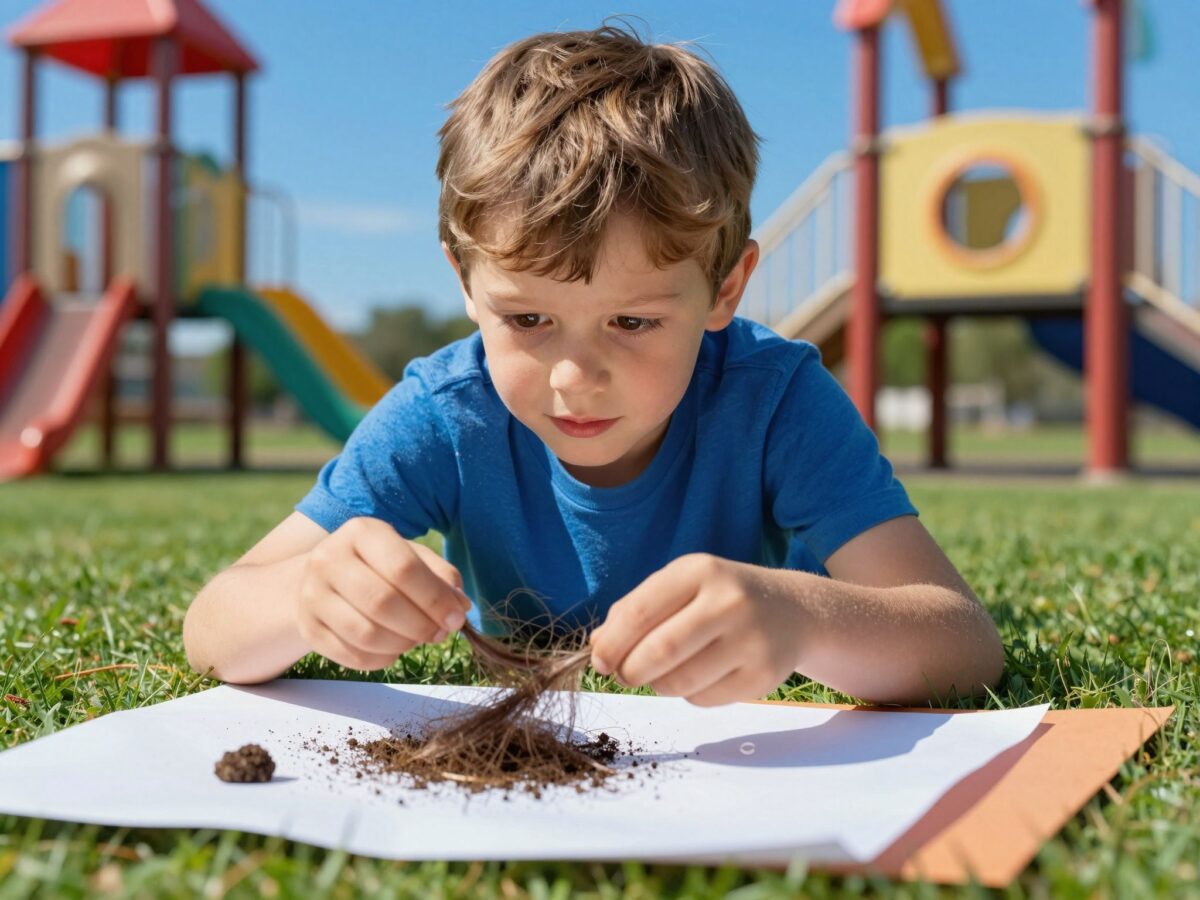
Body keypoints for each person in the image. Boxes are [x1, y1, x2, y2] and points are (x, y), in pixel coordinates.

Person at [183, 21, 1004, 707]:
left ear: (726, 288)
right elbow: (213, 625)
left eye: (634, 320)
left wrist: (801, 620)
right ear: (465, 283)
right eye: (528, 318)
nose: (575, 378)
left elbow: (961, 640)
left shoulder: (776, 399)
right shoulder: (445, 411)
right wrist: (306, 598)